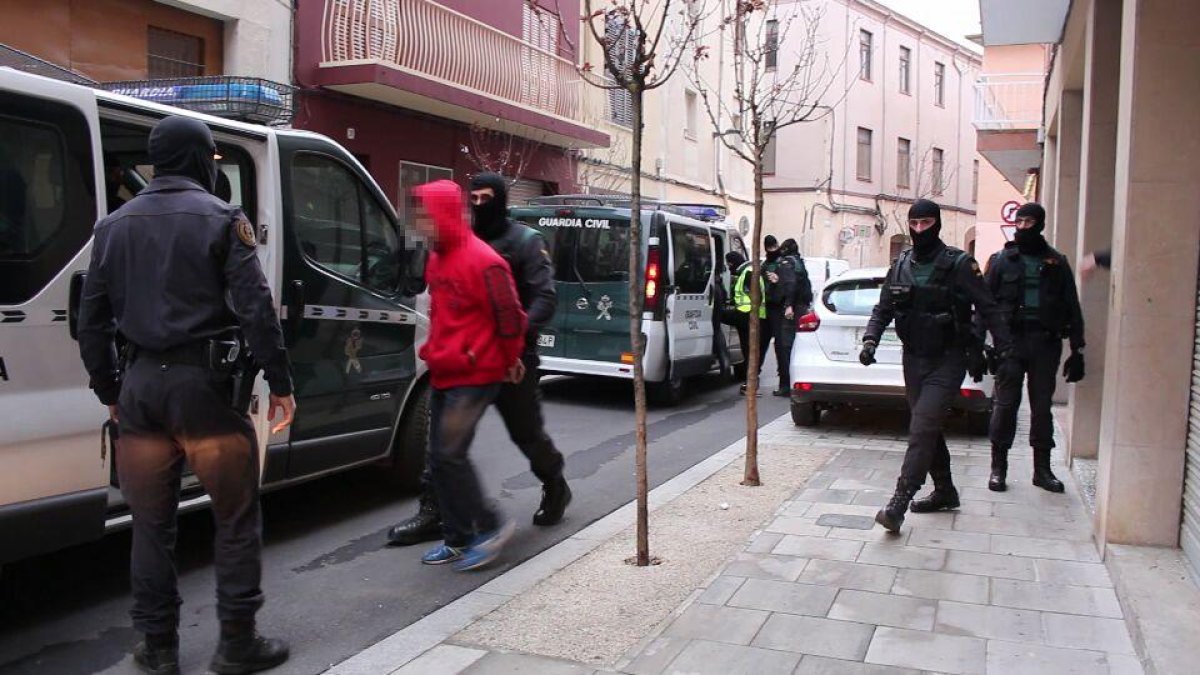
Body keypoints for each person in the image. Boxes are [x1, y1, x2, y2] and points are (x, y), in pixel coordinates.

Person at [76, 116, 295, 675]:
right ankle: (237, 643)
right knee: (235, 517)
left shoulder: (114, 226)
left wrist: (109, 389)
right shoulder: (223, 218)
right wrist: (281, 383)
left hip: (140, 390)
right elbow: (255, 309)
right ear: (201, 158)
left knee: (151, 526)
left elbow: (92, 320)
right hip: (207, 393)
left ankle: (157, 648)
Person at [386, 173, 570, 547]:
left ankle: (554, 483)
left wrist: (515, 340)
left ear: (500, 200)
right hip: (463, 360)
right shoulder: (451, 241)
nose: (480, 205)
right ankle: (435, 512)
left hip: (512, 356)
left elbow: (543, 299)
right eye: (475, 198)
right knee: (442, 445)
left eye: (488, 198)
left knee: (526, 434)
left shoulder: (524, 242)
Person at [860, 199, 1015, 533]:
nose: (919, 230)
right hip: (913, 357)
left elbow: (988, 306)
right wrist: (870, 339)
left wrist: (1004, 350)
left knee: (922, 426)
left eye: (925, 223)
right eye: (914, 224)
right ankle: (945, 491)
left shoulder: (958, 263)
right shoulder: (900, 263)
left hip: (948, 357)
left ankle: (898, 504)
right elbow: (883, 307)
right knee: (925, 426)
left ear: (938, 224)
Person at [410, 179, 528, 571]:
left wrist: (511, 358)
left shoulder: (485, 261)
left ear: (443, 215)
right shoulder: (438, 258)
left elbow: (511, 317)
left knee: (450, 454)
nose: (421, 224)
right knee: (439, 459)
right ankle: (457, 538)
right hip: (444, 368)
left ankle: (491, 526)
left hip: (478, 372)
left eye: (427, 216)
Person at [982, 202, 1084, 493]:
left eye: (1029, 222)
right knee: (1005, 406)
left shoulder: (1056, 262)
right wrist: (979, 344)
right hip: (1010, 343)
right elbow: (985, 304)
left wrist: (1078, 349)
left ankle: (1042, 470)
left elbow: (1071, 306)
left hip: (1044, 343)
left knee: (1042, 408)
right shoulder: (1001, 260)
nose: (1023, 227)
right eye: (1019, 221)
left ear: (1040, 224)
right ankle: (998, 469)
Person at [762, 235, 797, 396]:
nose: (772, 251)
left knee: (781, 346)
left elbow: (790, 286)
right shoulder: (765, 265)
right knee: (764, 346)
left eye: (773, 247)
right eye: (769, 248)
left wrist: (777, 281)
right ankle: (753, 380)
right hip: (767, 309)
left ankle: (785, 383)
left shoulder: (783, 264)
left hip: (779, 308)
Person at [728, 250, 765, 394]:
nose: (728, 267)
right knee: (749, 351)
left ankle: (751, 384)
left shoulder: (748, 273)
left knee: (749, 351)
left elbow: (755, 296)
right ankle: (751, 383)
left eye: (729, 264)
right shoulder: (747, 271)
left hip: (747, 316)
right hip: (748, 316)